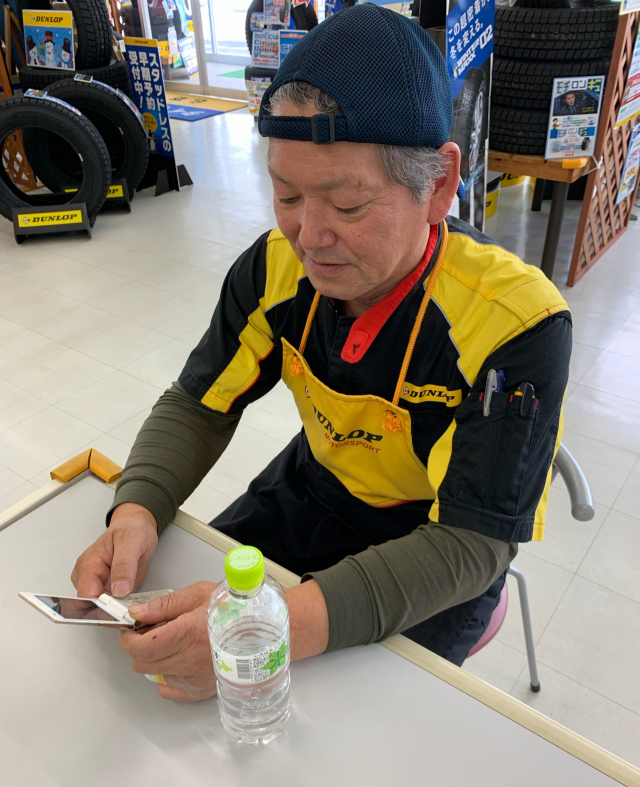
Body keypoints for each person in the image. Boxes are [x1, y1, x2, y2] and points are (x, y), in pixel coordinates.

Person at [72, 4, 571, 702]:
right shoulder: (275, 268)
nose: (309, 237)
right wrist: (136, 507)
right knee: (157, 651)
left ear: (437, 184)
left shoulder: (515, 321)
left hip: (435, 543)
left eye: (347, 205)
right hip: (311, 492)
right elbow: (200, 402)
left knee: (344, 731)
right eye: (286, 196)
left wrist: (279, 624)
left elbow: (473, 542)